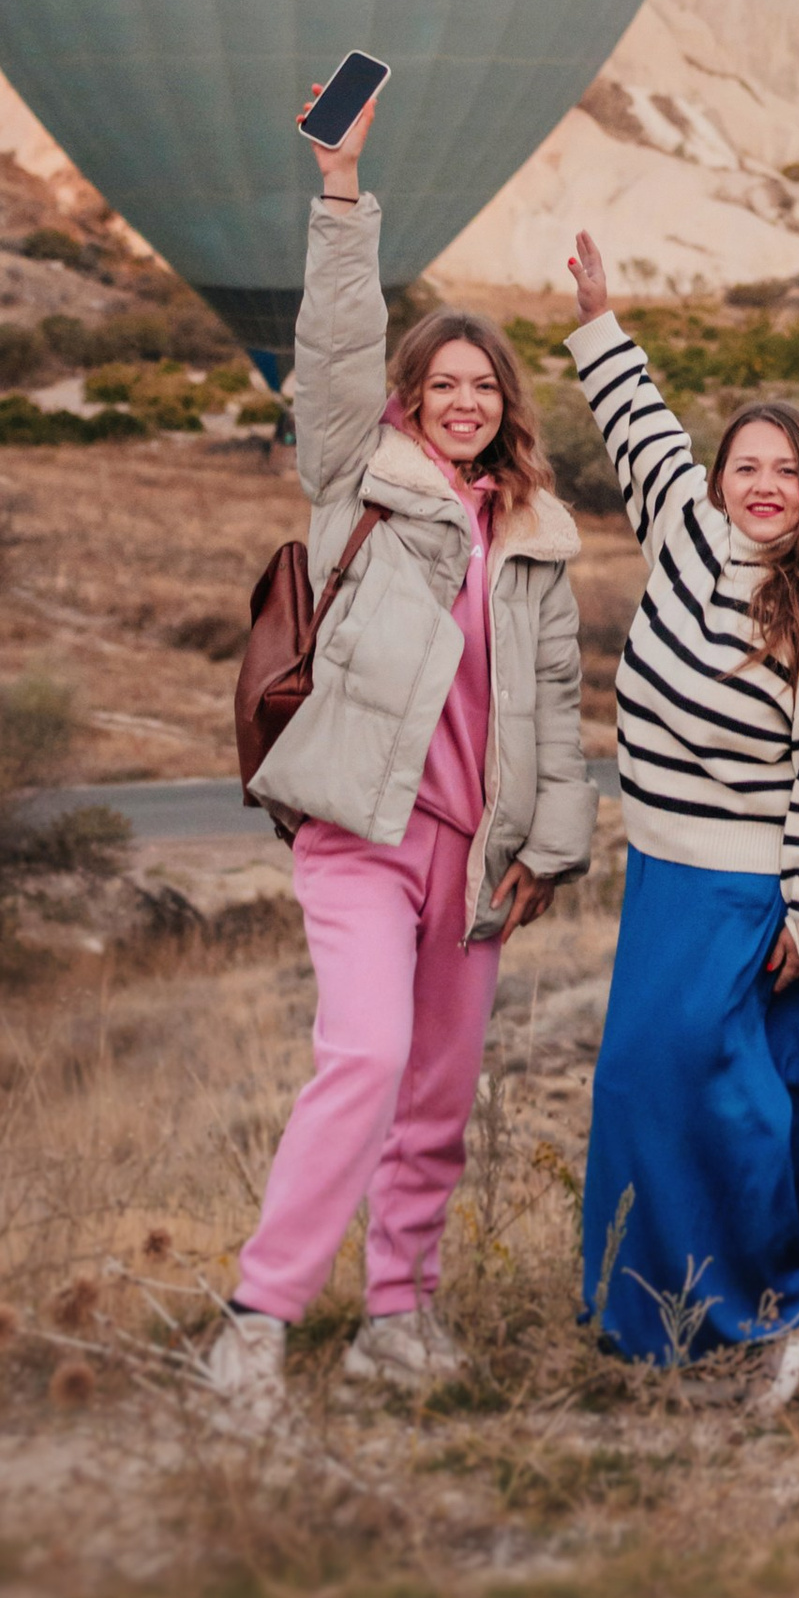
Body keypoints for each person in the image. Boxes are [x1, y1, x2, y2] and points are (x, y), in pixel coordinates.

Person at [204, 83, 593, 1414]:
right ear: (410, 398)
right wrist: (343, 198)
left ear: (509, 406)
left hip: (476, 856)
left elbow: (552, 702)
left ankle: (398, 1315)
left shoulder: (534, 538)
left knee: (435, 1093)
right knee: (363, 1059)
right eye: (444, 384)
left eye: (487, 386)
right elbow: (334, 345)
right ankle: (256, 1320)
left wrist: (549, 850)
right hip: (362, 829)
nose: (466, 402)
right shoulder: (356, 476)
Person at [564, 235, 799, 1407]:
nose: (760, 486)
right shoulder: (685, 538)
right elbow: (639, 429)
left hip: (755, 894)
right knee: (643, 1092)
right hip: (661, 877)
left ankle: (775, 1305)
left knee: (743, 1103)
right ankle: (652, 1315)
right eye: (743, 465)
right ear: (718, 480)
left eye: (783, 473)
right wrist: (601, 322)